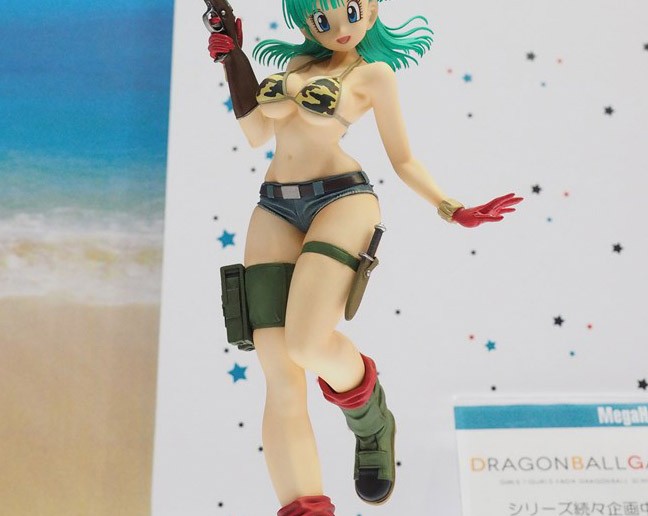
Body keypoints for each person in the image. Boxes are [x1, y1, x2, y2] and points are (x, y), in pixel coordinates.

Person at [206, 0, 522, 514]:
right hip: (274, 206)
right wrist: (233, 58)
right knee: (279, 374)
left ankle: (371, 418)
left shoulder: (374, 75)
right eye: (322, 19)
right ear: (307, 23)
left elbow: (404, 158)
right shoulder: (298, 66)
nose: (339, 27)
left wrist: (450, 206)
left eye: (350, 11)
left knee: (307, 344)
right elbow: (257, 133)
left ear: (371, 10)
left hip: (342, 199)